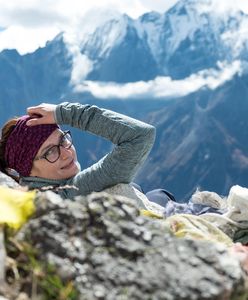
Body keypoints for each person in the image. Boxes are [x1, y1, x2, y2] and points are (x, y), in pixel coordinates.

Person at [0, 102, 157, 200]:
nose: (67, 153)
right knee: (156, 194)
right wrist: (65, 114)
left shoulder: (32, 194)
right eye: (50, 152)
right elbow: (140, 136)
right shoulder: (70, 193)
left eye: (63, 140)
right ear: (27, 170)